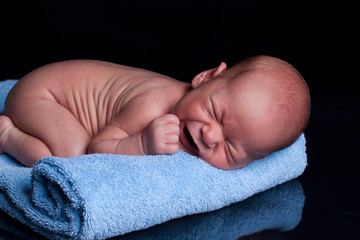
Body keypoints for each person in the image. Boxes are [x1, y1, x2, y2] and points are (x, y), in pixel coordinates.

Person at [0, 55, 310, 170]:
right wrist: (142, 145)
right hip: (41, 96)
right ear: (205, 78)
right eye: (214, 111)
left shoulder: (194, 116)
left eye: (231, 146)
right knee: (74, 155)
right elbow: (99, 148)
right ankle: (7, 135)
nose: (211, 134)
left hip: (52, 98)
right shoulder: (153, 104)